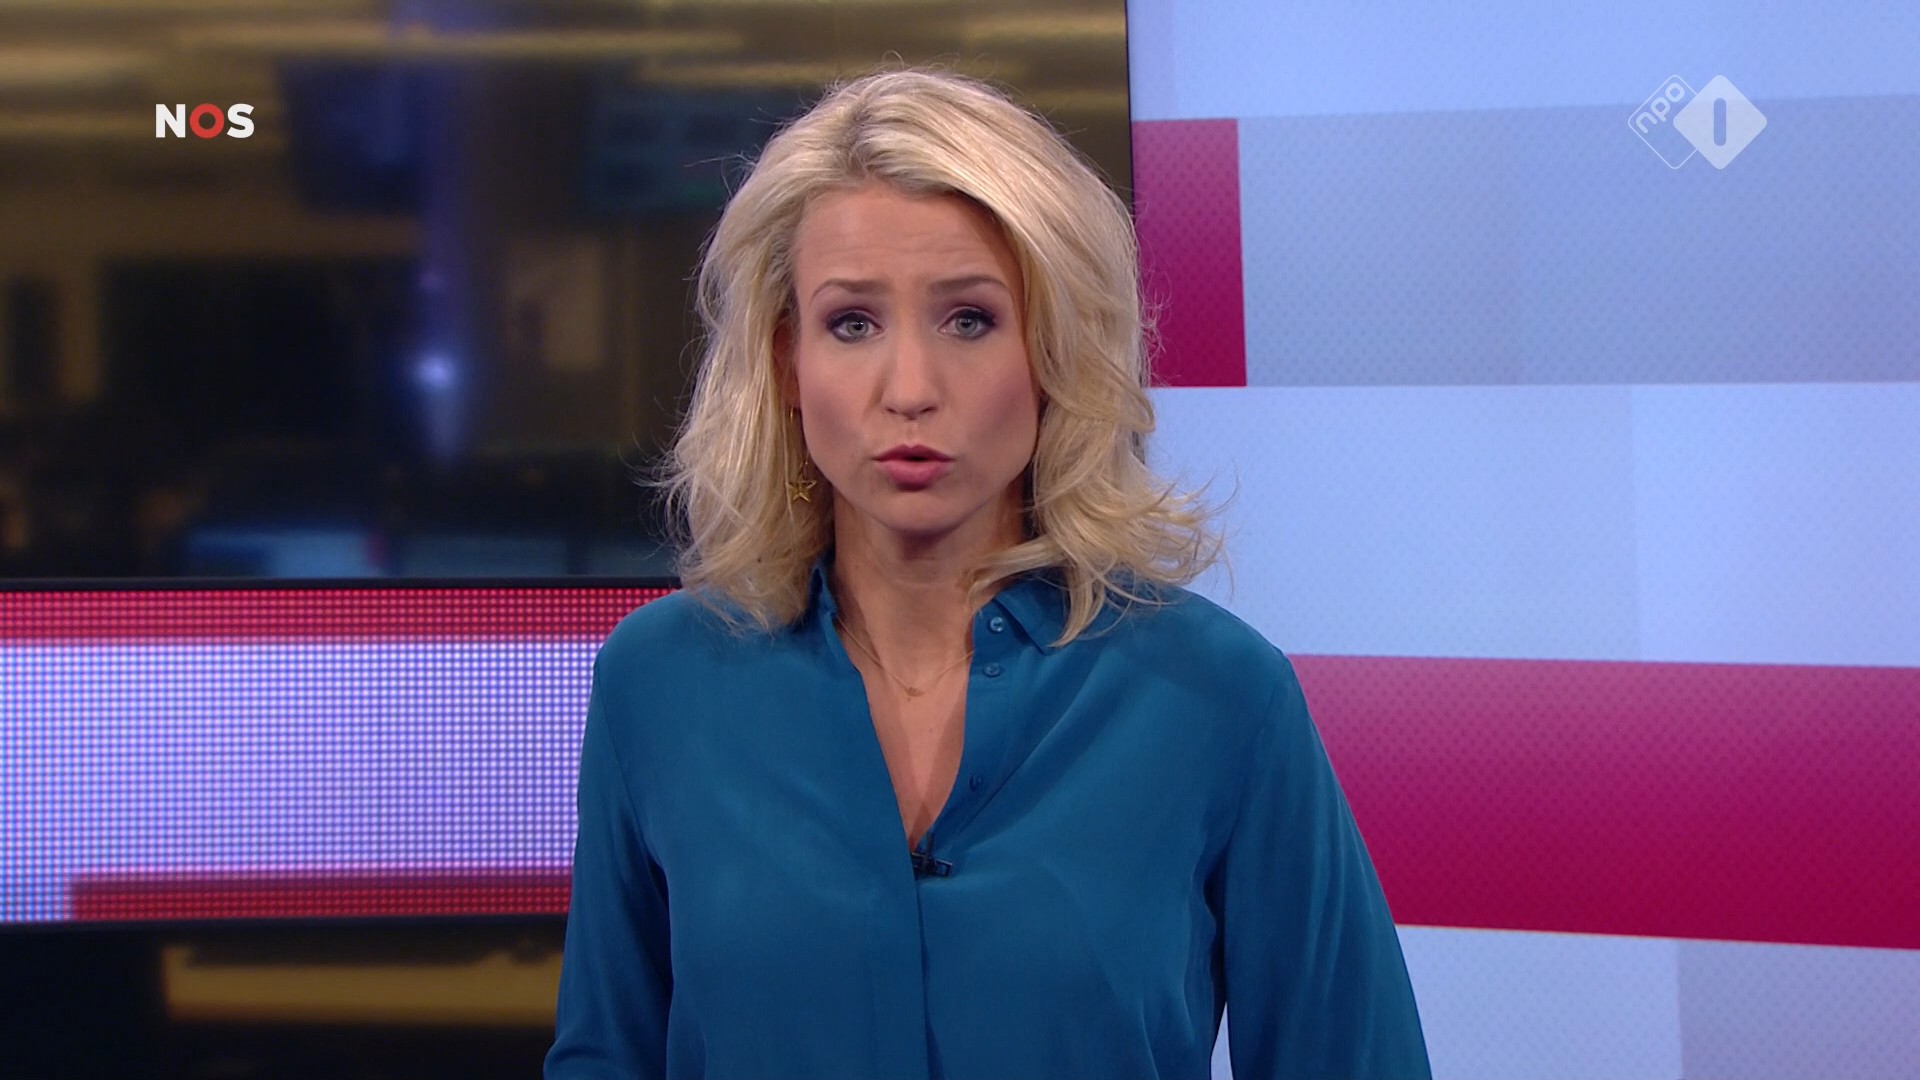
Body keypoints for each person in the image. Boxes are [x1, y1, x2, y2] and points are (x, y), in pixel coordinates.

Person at [545, 67, 1429, 1080]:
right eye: (852, 323)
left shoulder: (1217, 694)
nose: (910, 390)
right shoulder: (660, 684)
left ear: (1052, 349)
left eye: (969, 319)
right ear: (786, 361)